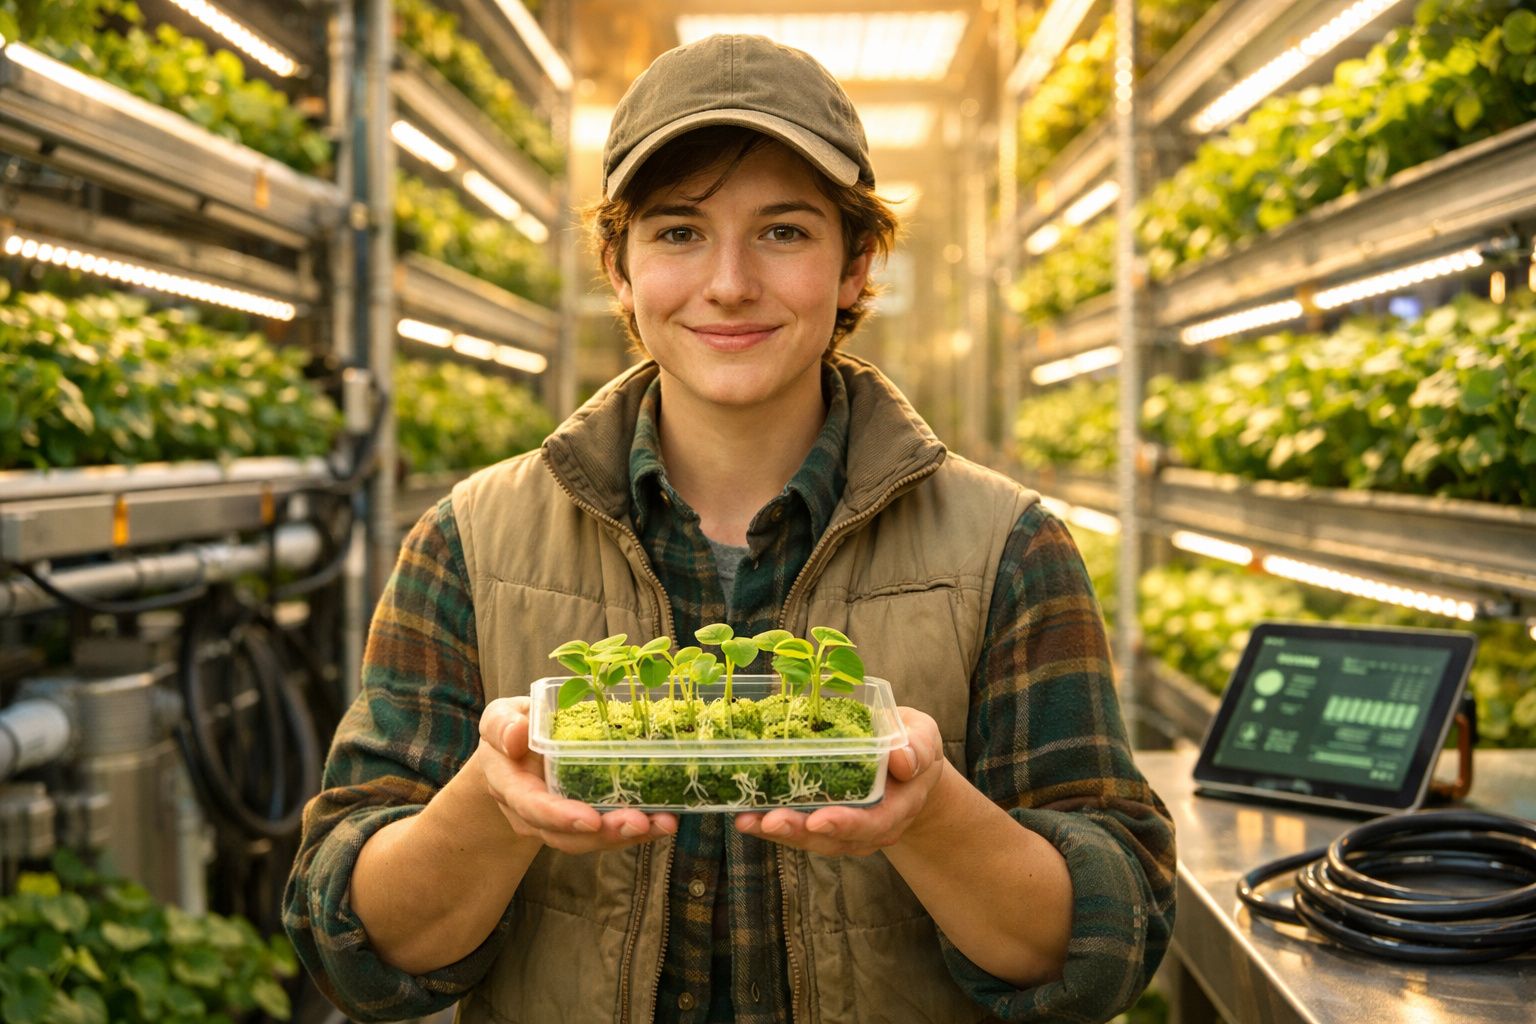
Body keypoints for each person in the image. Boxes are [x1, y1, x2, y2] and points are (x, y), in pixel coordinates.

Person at [284, 33, 1175, 1024]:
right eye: (678, 233)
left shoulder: (1010, 547)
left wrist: (930, 814)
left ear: (855, 264)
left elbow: (1110, 943)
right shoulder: (466, 542)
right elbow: (349, 947)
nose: (729, 283)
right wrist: (492, 804)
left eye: (784, 232)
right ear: (618, 271)